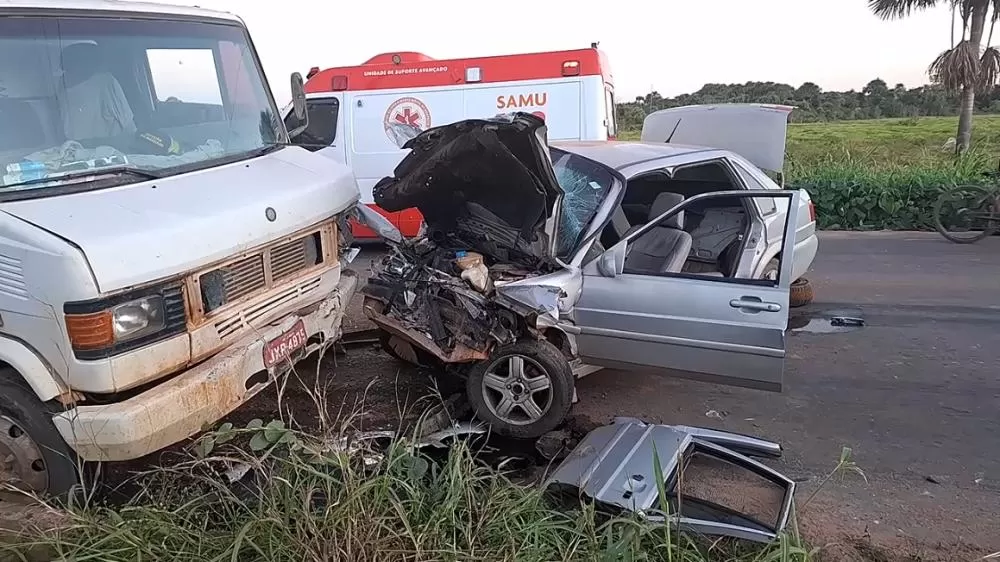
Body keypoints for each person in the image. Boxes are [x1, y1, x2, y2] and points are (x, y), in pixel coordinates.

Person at [57, 42, 137, 142]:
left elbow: (129, 130)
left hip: (95, 149)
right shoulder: (105, 82)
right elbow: (130, 130)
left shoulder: (105, 83)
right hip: (79, 148)